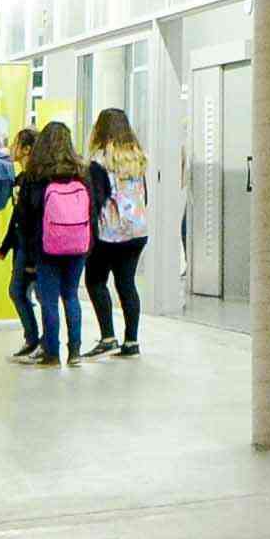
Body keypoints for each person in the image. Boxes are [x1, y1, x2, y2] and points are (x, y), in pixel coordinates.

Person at [2, 119, 95, 366]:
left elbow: (25, 217)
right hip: (77, 246)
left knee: (49, 299)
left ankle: (52, 353)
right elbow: (92, 211)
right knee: (71, 296)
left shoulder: (36, 174)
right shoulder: (81, 172)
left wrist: (29, 254)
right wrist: (88, 245)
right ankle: (75, 352)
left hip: (46, 247)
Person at [86, 105, 153, 357]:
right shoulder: (137, 158)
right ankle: (131, 341)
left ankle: (108, 337)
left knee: (95, 281)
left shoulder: (99, 161)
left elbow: (96, 200)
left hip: (109, 233)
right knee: (126, 283)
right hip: (137, 231)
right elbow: (144, 195)